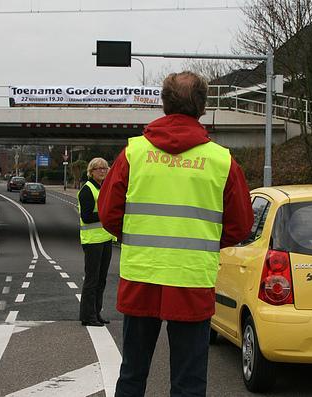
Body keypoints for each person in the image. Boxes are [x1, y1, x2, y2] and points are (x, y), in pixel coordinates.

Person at [99, 71, 254, 396]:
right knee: (189, 381)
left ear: (164, 103)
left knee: (132, 375)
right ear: (202, 106)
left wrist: (136, 236)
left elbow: (108, 214)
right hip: (192, 280)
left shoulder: (134, 154)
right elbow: (240, 225)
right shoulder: (221, 161)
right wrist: (205, 240)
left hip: (142, 276)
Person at [78, 157, 114, 327]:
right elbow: (86, 216)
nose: (102, 171)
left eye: (105, 168)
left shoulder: (104, 188)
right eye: (98, 168)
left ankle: (96, 312)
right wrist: (106, 213)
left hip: (105, 239)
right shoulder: (87, 189)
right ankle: (87, 316)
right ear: (91, 171)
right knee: (92, 280)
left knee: (102, 279)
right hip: (92, 241)